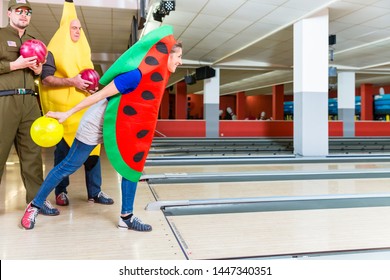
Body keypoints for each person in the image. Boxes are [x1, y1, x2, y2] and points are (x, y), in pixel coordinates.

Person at [21, 26, 183, 231]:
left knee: (132, 166)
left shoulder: (155, 80)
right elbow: (99, 96)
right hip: (97, 121)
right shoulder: (135, 76)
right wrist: (67, 113)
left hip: (122, 124)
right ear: (166, 56)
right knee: (70, 164)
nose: (180, 61)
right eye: (178, 56)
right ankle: (36, 204)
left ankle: (126, 216)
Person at [39, 0, 113, 206]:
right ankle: (61, 192)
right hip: (64, 112)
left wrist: (91, 87)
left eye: (80, 28)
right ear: (65, 29)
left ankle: (95, 192)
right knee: (63, 154)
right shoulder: (52, 51)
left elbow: (89, 80)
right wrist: (73, 81)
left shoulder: (83, 51)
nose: (78, 31)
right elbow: (46, 79)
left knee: (93, 152)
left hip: (84, 110)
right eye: (74, 28)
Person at [0, 0, 59, 216]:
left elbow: (38, 73)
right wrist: (14, 65)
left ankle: (37, 201)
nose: (24, 15)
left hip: (30, 102)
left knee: (33, 154)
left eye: (28, 12)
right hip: (5, 101)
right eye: (19, 11)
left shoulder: (34, 41)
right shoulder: (0, 35)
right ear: (9, 13)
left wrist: (37, 68)